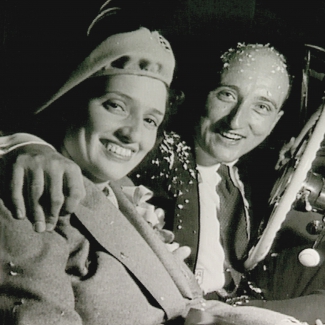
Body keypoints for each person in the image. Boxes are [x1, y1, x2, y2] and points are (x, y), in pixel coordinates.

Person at [1, 9, 324, 325]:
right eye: (226, 95)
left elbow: (187, 303)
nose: (132, 134)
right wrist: (24, 143)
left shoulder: (123, 193)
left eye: (150, 119)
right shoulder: (144, 159)